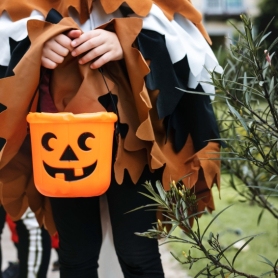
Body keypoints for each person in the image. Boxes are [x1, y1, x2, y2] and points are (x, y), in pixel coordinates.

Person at [0, 0, 222, 277]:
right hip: (60, 134)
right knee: (76, 254)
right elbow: (11, 26)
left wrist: (129, 40)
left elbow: (178, 36)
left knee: (137, 253)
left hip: (132, 139)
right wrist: (34, 45)